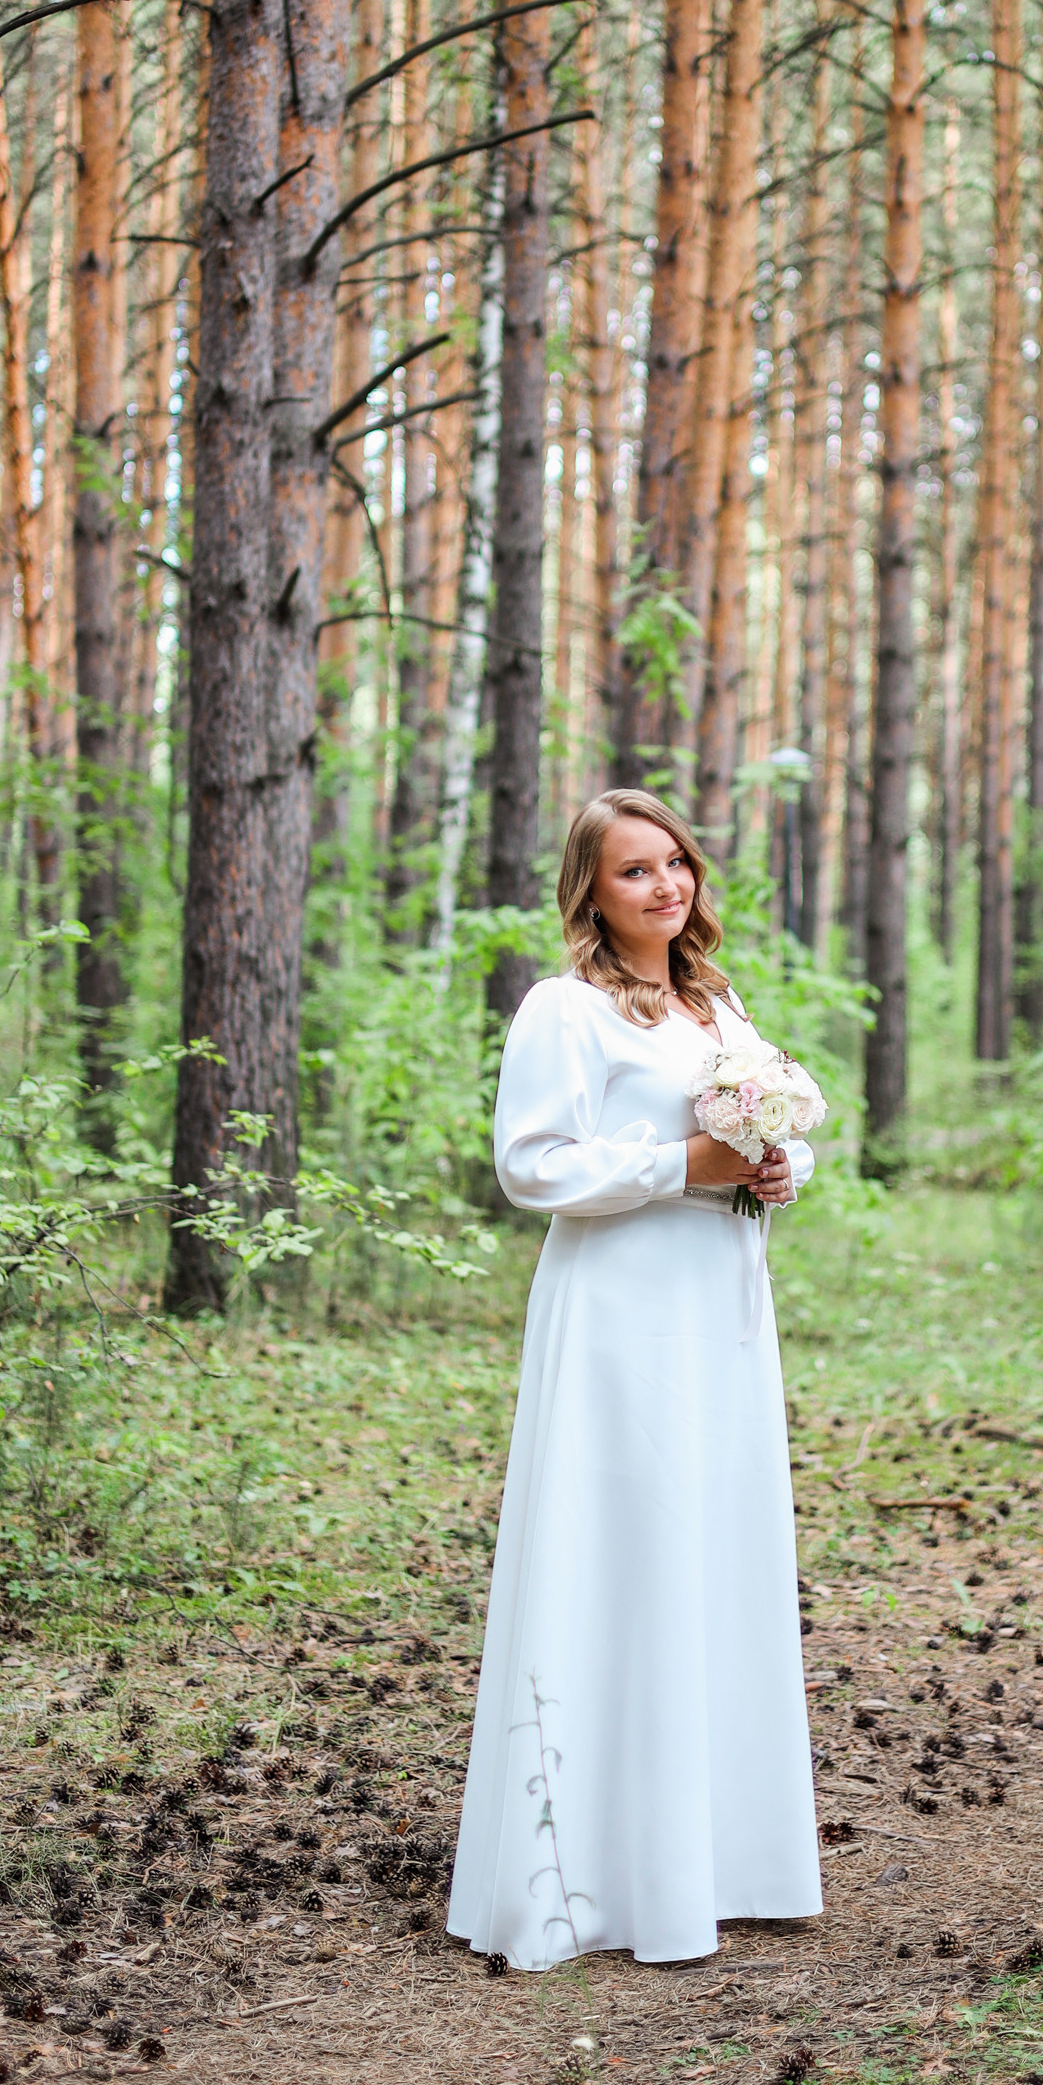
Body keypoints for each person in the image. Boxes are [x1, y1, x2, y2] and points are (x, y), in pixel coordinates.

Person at [445, 788, 824, 1971]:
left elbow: (769, 1129)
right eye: (632, 872)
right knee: (621, 1547)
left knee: (711, 1550)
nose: (664, 887)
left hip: (718, 1297)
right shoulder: (561, 1011)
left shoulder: (715, 1002)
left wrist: (775, 1168)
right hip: (617, 1312)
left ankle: (716, 1859)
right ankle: (588, 1876)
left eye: (673, 864)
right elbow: (533, 1166)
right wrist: (681, 1164)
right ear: (590, 891)